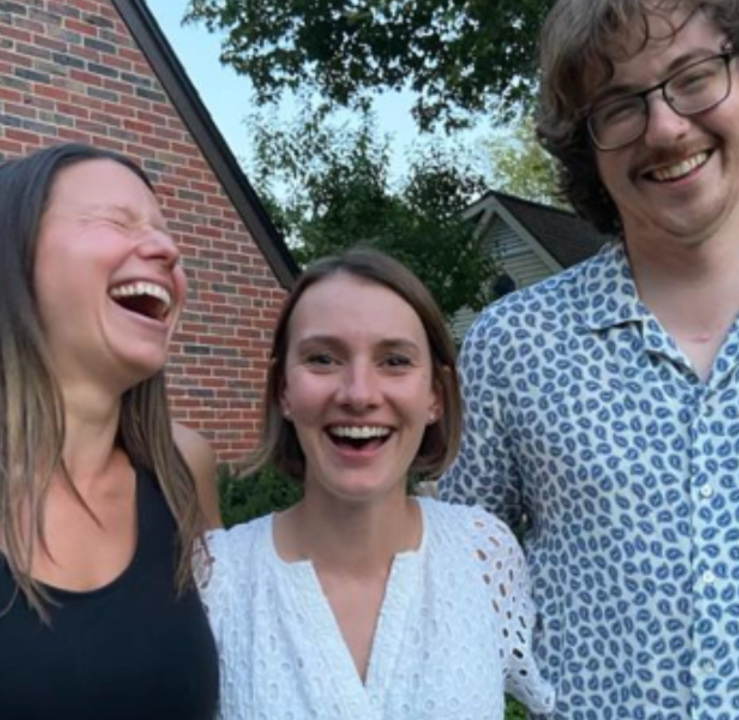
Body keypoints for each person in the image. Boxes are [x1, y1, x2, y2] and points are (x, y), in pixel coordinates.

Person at [439, 1, 739, 718]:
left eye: (694, 77)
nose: (664, 127)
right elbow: (458, 599)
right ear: (586, 146)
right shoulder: (512, 346)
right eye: (619, 105)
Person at [199, 249, 555, 719]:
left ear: (435, 395)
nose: (360, 394)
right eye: (323, 359)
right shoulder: (217, 578)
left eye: (394, 360)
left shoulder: (483, 554)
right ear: (283, 390)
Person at [0, 143, 222, 719]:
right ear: (9, 260)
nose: (168, 249)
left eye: (166, 232)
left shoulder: (181, 468)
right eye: (113, 221)